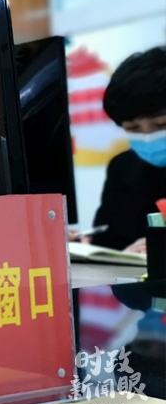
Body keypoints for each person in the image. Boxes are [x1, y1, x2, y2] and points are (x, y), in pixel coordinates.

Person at [78, 46, 166, 254]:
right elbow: (109, 238)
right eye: (133, 128)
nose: (148, 136)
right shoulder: (123, 167)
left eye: (161, 124)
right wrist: (85, 241)